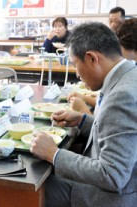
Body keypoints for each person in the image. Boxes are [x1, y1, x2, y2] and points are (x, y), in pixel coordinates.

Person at [30, 22, 137, 207]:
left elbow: (113, 176)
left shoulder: (122, 96)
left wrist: (53, 153)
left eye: (74, 64)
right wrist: (82, 120)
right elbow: (119, 133)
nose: (77, 74)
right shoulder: (128, 74)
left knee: (27, 188)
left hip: (108, 197)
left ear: (92, 58)